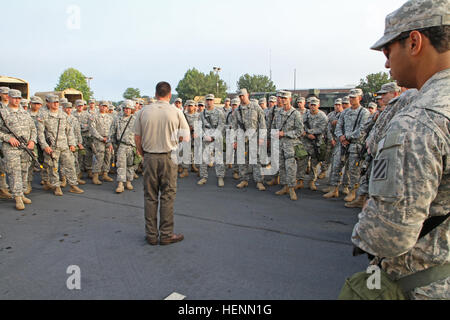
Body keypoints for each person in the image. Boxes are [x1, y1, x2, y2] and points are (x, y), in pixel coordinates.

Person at [351, 0, 449, 300]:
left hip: (422, 284)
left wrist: (363, 228)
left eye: (388, 51)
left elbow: (387, 236)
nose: (386, 63)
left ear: (415, 41)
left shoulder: (421, 119)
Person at [134, 81, 190, 246]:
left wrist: (143, 153)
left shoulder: (143, 111)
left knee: (150, 196)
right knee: (167, 196)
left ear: (156, 93)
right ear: (169, 94)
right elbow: (186, 137)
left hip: (150, 157)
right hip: (168, 157)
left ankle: (151, 234)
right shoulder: (176, 112)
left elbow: (137, 137)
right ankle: (166, 234)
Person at [37, 95, 84, 196]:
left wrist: (72, 144)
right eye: (53, 102)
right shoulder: (43, 115)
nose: (55, 104)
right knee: (53, 167)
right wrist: (45, 146)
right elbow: (40, 133)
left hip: (64, 145)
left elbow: (69, 131)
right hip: (51, 146)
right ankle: (56, 186)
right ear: (48, 103)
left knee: (70, 165)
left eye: (57, 102)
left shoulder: (63, 115)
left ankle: (73, 185)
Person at [0, 89, 36, 210]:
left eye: (19, 98)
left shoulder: (24, 112)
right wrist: (7, 138)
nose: (17, 100)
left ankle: (21, 193)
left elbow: (33, 128)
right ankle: (17, 197)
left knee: (24, 170)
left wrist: (32, 141)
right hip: (11, 148)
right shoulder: (2, 112)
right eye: (14, 98)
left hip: (26, 147)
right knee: (14, 171)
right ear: (8, 98)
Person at [232, 89, 267, 191]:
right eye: (240, 96)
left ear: (247, 95)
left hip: (254, 138)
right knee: (242, 160)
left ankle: (259, 181)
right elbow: (233, 126)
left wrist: (262, 137)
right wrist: (234, 140)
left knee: (256, 160)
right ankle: (244, 179)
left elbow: (262, 123)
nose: (242, 97)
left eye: (243, 95)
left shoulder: (256, 107)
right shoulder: (237, 111)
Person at [272, 91, 304, 201]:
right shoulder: (278, 113)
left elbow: (300, 131)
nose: (282, 100)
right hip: (280, 144)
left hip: (290, 145)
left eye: (284, 98)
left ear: (289, 99)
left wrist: (285, 134)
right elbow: (273, 126)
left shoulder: (295, 113)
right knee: (281, 166)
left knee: (290, 167)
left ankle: (291, 188)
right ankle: (285, 186)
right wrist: (275, 134)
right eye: (280, 98)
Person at [297, 97, 328, 191]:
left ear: (318, 105)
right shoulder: (305, 115)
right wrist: (307, 134)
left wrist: (309, 132)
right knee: (302, 162)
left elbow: (322, 129)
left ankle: (312, 181)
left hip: (316, 143)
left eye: (315, 105)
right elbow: (300, 126)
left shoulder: (322, 116)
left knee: (314, 164)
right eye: (311, 105)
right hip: (305, 142)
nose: (313, 107)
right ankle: (300, 181)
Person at [197, 94, 226, 187]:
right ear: (205, 101)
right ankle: (204, 177)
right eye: (207, 100)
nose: (209, 102)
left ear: (213, 101)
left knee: (219, 157)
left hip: (216, 137)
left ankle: (220, 177)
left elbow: (221, 125)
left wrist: (213, 137)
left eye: (211, 100)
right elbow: (198, 127)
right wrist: (203, 135)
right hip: (206, 137)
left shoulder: (219, 112)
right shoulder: (202, 114)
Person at [111, 100, 136, 193]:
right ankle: (120, 184)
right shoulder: (117, 119)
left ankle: (129, 182)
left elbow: (138, 134)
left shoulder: (135, 120)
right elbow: (112, 132)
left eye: (129, 109)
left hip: (132, 146)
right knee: (121, 165)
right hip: (121, 145)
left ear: (131, 109)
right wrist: (110, 143)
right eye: (125, 108)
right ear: (123, 109)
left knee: (130, 165)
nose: (127, 110)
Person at [90, 101, 114, 185]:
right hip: (98, 140)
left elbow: (112, 129)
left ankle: (105, 174)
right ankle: (95, 176)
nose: (104, 108)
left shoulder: (110, 117)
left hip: (108, 140)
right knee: (99, 157)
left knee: (108, 156)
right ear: (99, 106)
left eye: (105, 106)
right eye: (102, 106)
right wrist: (101, 138)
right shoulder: (94, 116)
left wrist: (109, 139)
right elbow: (92, 129)